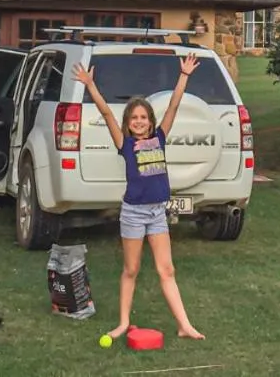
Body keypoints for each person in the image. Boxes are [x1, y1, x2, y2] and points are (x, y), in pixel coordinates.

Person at [72, 53, 206, 342]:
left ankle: (184, 325)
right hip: (133, 213)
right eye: (134, 118)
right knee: (131, 269)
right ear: (128, 122)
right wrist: (90, 86)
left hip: (158, 212)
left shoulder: (160, 137)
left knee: (166, 269)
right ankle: (122, 323)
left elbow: (174, 105)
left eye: (143, 117)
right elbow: (107, 113)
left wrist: (183, 75)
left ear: (151, 120)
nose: (139, 121)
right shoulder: (125, 143)